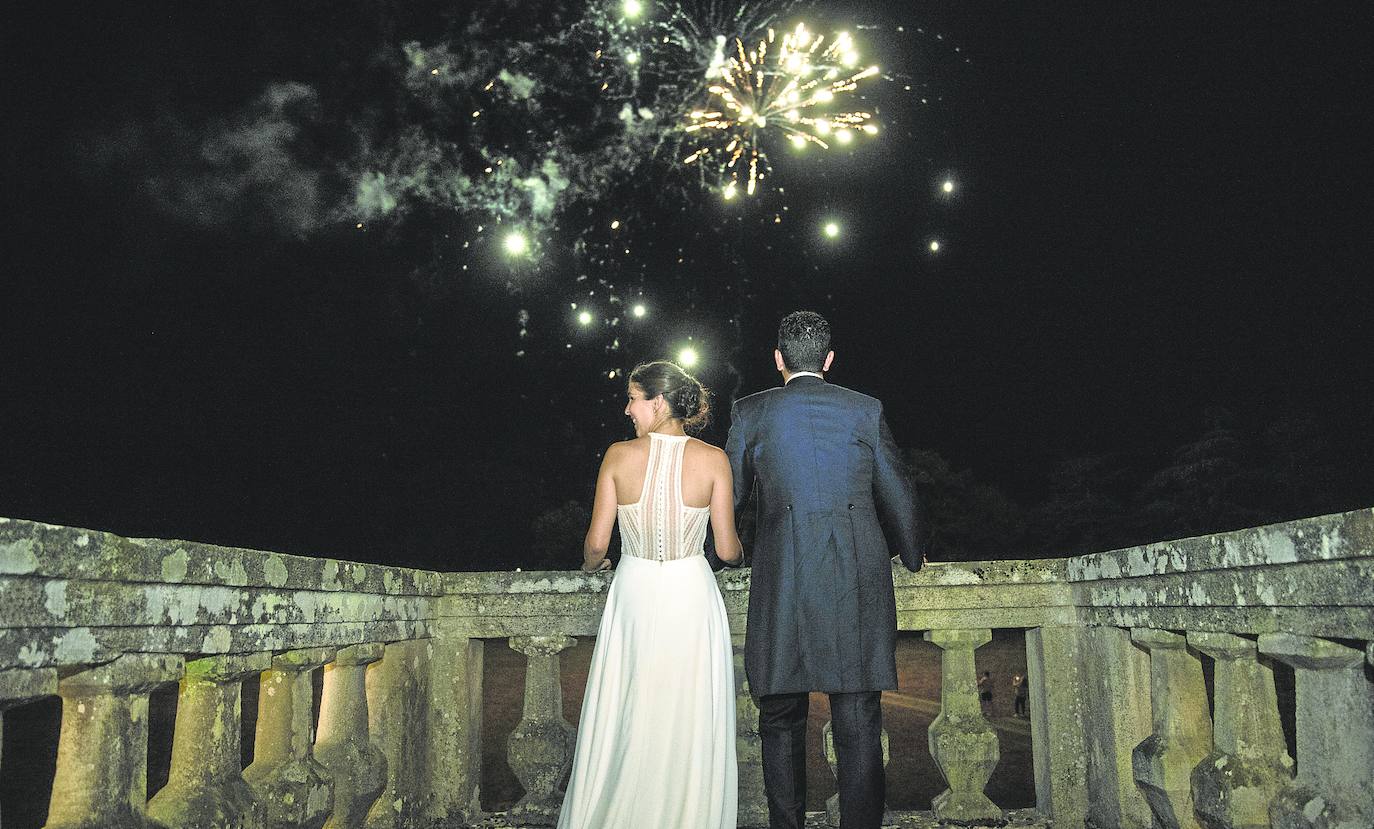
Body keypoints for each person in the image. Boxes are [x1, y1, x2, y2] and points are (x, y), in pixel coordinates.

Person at [721, 311, 927, 829]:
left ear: (778, 360)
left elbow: (732, 500)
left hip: (782, 574)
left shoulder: (750, 412)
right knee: (857, 715)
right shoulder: (865, 410)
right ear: (829, 360)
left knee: (780, 716)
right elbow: (898, 491)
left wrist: (716, 557)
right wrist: (913, 553)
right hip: (855, 574)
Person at [557, 361, 744, 829]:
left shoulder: (618, 456)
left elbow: (598, 544)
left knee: (629, 702)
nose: (627, 409)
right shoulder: (714, 459)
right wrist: (738, 555)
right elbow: (726, 548)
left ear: (657, 402)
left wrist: (592, 565)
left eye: (633, 398)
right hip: (690, 590)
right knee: (688, 711)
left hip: (635, 589)